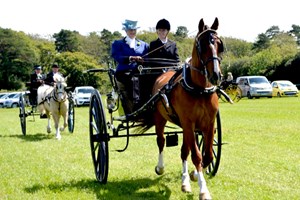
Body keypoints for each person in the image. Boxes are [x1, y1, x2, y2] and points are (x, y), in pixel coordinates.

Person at [111, 19, 149, 114]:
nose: (132, 32)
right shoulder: (118, 44)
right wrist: (131, 58)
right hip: (124, 73)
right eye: (130, 30)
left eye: (134, 30)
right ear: (126, 31)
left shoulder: (144, 45)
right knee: (133, 80)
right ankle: (135, 107)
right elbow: (117, 57)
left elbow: (147, 59)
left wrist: (143, 61)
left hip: (140, 72)